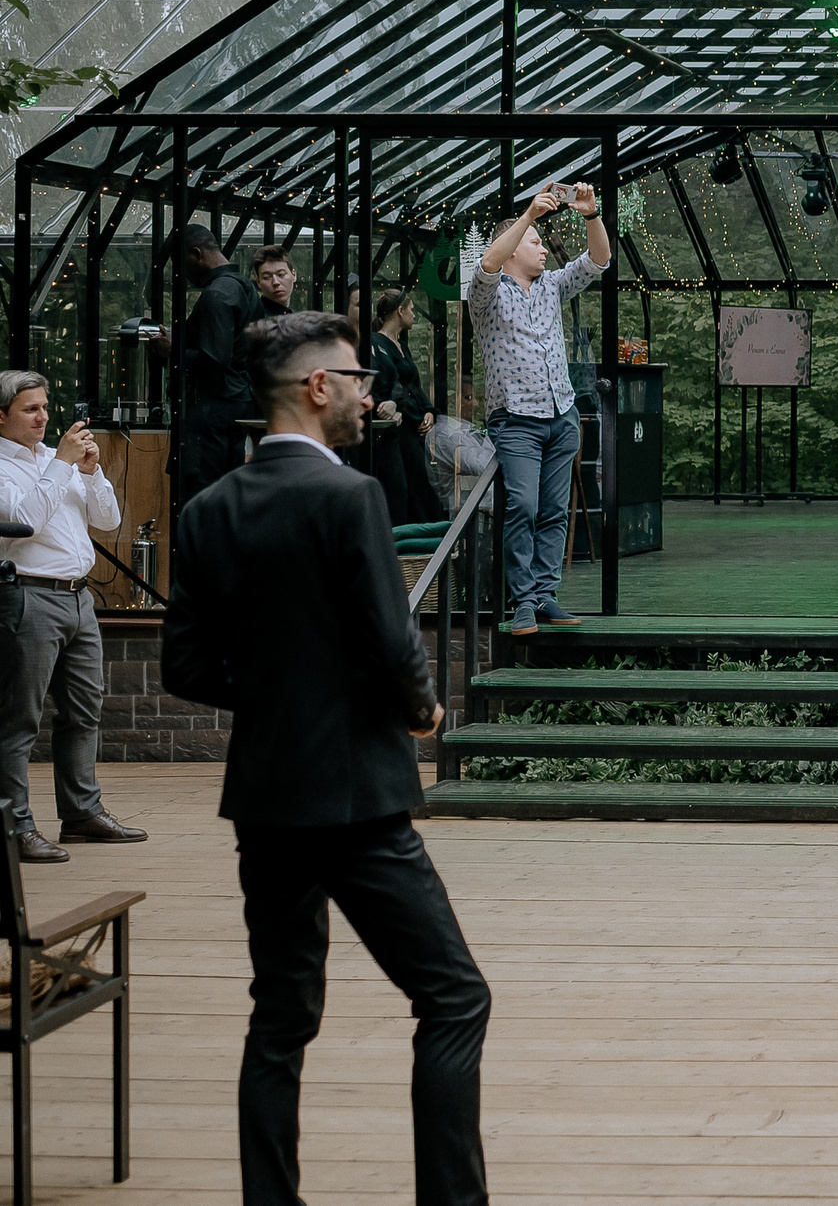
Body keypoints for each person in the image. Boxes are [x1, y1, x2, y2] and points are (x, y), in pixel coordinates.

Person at [162, 311, 491, 1206]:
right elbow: (392, 643)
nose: (366, 392)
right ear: (317, 387)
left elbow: (185, 666)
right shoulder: (352, 498)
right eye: (355, 378)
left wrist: (279, 693)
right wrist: (422, 710)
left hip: (265, 798)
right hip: (358, 798)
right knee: (454, 999)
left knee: (278, 1018)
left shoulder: (205, 510)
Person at [0, 370, 142, 863]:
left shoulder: (55, 461)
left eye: (44, 407)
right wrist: (61, 465)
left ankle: (81, 813)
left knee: (84, 710)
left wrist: (89, 472)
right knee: (19, 718)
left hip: (80, 599)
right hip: (28, 597)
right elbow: (24, 522)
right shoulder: (4, 466)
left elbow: (108, 520)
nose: (43, 417)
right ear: (1, 416)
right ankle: (14, 827)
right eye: (30, 409)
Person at [468, 180, 609, 637]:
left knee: (553, 511)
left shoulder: (551, 286)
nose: (544, 249)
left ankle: (545, 594)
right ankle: (522, 600)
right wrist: (527, 216)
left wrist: (590, 214)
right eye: (534, 243)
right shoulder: (486, 294)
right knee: (523, 507)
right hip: (516, 422)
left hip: (560, 415)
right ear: (512, 250)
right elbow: (488, 261)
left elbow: (600, 261)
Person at [163, 226, 259, 512]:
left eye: (182, 265)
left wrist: (173, 350)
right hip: (237, 401)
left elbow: (215, 359)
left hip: (213, 412)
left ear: (196, 254)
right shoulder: (244, 286)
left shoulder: (217, 294)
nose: (183, 274)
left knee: (201, 497)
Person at [369, 289, 447, 527]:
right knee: (407, 487)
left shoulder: (401, 344)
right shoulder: (376, 343)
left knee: (418, 485)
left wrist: (429, 412)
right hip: (396, 427)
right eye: (411, 309)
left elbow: (414, 385)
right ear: (400, 311)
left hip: (412, 424)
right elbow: (388, 387)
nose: (414, 314)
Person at [251, 244, 299, 318]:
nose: (275, 282)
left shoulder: (299, 318)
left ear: (294, 275)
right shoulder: (253, 318)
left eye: (281, 274)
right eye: (266, 277)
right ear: (258, 282)